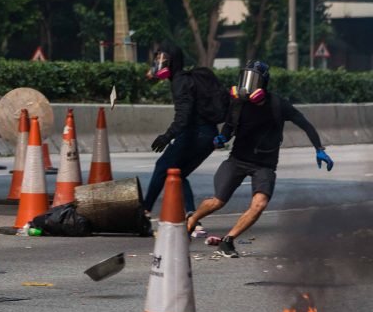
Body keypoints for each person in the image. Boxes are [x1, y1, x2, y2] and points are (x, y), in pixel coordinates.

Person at [186, 60, 334, 258]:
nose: (247, 85)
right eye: (245, 78)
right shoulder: (238, 103)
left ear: (263, 84)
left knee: (260, 204)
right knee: (218, 201)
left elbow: (305, 124)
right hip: (237, 160)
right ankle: (191, 220)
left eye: (253, 79)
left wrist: (319, 149)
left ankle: (228, 241)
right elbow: (229, 127)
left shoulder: (278, 104)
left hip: (264, 165)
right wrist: (222, 138)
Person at [141, 43, 223, 232]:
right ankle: (193, 218)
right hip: (208, 135)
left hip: (196, 134)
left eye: (164, 60)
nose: (160, 63)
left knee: (162, 166)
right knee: (178, 173)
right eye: (158, 59)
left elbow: (183, 118)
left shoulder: (180, 82)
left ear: (173, 62)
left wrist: (166, 136)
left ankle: (144, 211)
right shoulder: (183, 79)